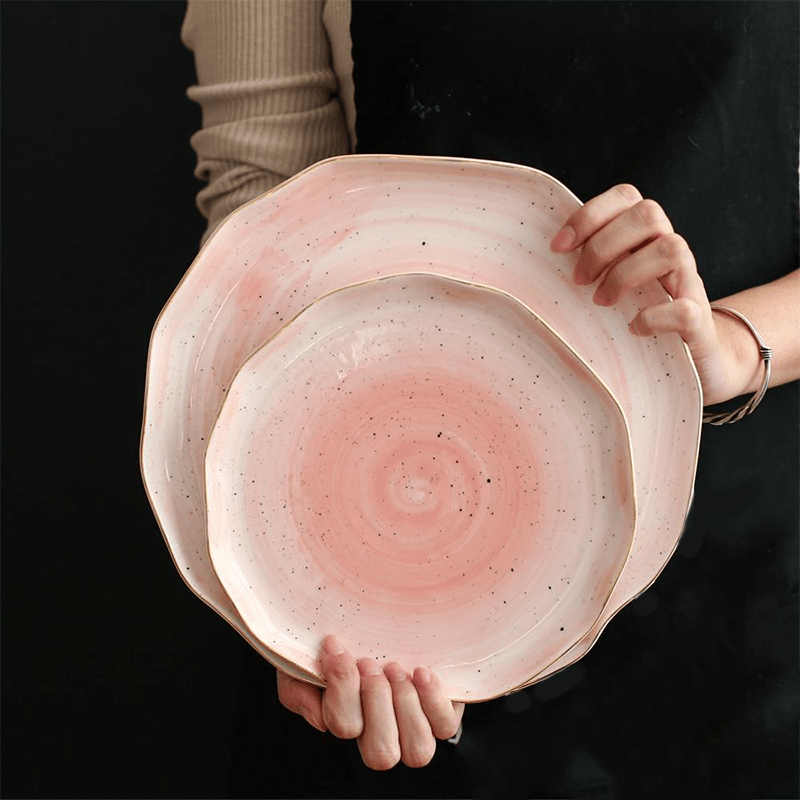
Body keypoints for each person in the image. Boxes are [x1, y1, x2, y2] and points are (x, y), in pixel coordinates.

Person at [180, 0, 799, 784]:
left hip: (748, 591)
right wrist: (273, 583)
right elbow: (261, 213)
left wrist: (734, 346)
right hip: (389, 576)